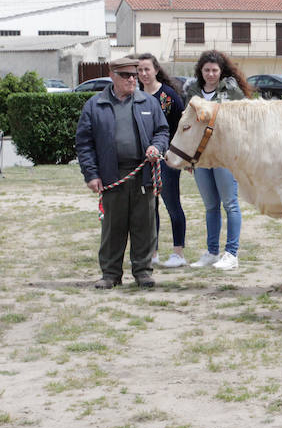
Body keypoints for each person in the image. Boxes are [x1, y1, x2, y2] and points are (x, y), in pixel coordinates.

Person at [75, 57, 169, 289]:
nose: (132, 79)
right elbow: (84, 144)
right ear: (113, 76)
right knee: (112, 228)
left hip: (143, 175)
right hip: (111, 176)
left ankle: (143, 272)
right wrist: (91, 175)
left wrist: (156, 147)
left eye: (134, 75)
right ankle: (110, 274)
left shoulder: (148, 102)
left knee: (144, 226)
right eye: (126, 75)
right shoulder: (95, 105)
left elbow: (162, 131)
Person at [182, 50, 252, 271]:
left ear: (221, 72)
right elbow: (188, 126)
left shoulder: (231, 90)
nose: (210, 74)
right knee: (210, 206)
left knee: (230, 204)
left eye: (214, 70)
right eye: (206, 70)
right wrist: (188, 159)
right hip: (201, 157)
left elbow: (245, 118)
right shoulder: (192, 92)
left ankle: (231, 254)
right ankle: (212, 252)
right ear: (200, 71)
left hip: (224, 157)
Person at [136, 53, 187, 269]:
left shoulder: (169, 96)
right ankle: (153, 251)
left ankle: (178, 252)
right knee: (149, 207)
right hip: (142, 160)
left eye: (147, 69)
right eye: (139, 70)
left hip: (166, 159)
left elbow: (180, 128)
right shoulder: (135, 96)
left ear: (156, 70)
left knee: (172, 204)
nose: (143, 74)